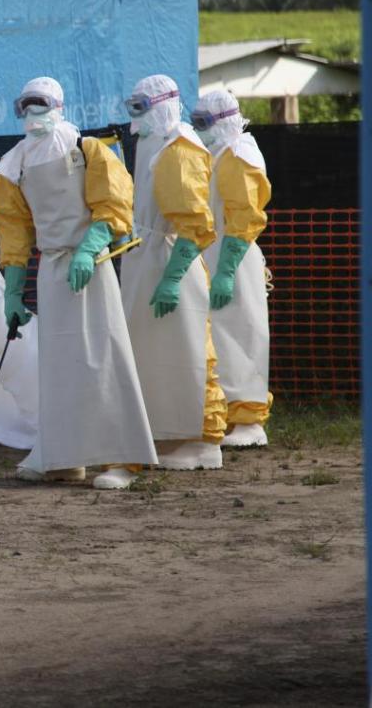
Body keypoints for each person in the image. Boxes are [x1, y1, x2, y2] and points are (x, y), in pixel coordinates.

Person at [0, 77, 158, 489]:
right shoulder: (14, 165)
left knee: (103, 357)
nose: (34, 114)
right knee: (59, 367)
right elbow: (14, 232)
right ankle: (63, 457)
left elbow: (114, 204)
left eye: (41, 105)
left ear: (59, 106)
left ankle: (121, 458)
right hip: (52, 271)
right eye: (26, 106)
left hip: (91, 265)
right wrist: (13, 292)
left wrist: (90, 247)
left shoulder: (89, 151)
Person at [120, 75, 228, 470]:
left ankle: (204, 440)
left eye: (142, 108)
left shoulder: (180, 148)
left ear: (163, 105)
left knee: (191, 353)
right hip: (145, 257)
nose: (137, 118)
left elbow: (195, 223)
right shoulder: (153, 142)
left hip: (169, 260)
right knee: (156, 354)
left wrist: (172, 278)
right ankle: (168, 433)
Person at [193, 90, 274, 447]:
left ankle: (250, 421)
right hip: (215, 254)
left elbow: (246, 215)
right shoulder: (218, 154)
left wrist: (226, 270)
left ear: (223, 119)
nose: (199, 130)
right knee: (220, 336)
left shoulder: (240, 154)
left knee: (242, 334)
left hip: (235, 258)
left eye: (203, 123)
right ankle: (224, 413)